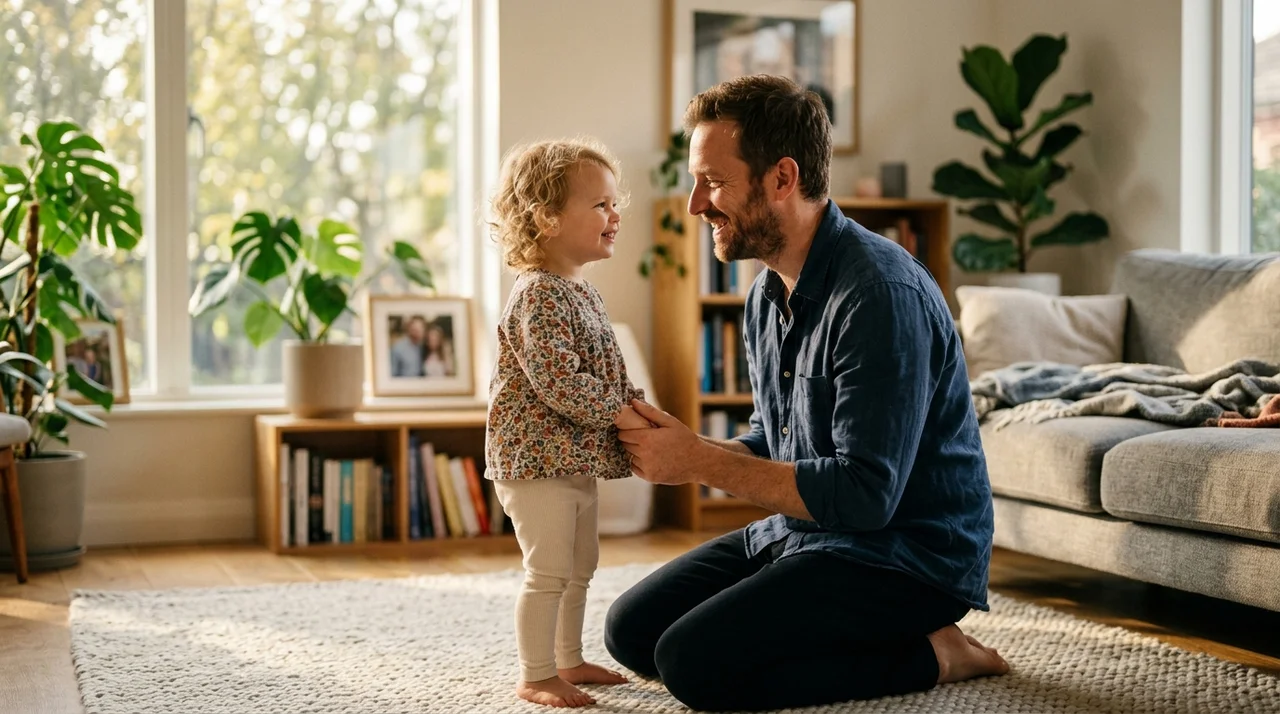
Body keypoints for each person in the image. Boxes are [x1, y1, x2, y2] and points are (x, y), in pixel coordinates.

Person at [606, 74, 1010, 712]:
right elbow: (779, 441)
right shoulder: (768, 294)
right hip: (809, 532)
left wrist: (698, 462)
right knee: (630, 632)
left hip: (904, 555)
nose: (694, 205)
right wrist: (680, 448)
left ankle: (937, 652)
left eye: (712, 182)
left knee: (693, 665)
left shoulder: (879, 295)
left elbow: (866, 495)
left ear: (781, 179)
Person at [484, 137, 653, 708]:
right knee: (549, 568)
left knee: (582, 564)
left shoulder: (581, 290)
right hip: (536, 461)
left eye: (614, 203)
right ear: (547, 219)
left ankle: (567, 658)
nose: (615, 215)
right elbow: (561, 381)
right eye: (601, 205)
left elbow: (605, 368)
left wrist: (638, 406)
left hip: (571, 456)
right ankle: (535, 673)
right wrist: (622, 411)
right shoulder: (537, 295)